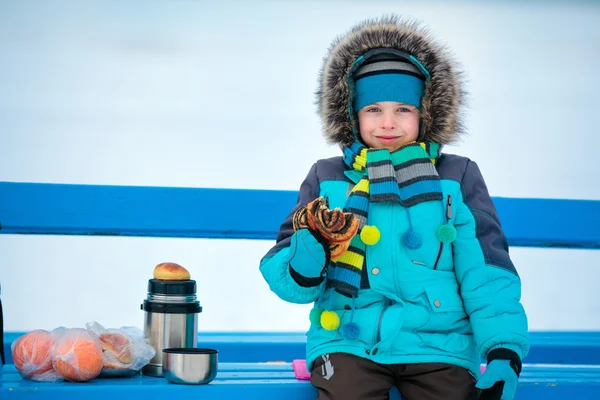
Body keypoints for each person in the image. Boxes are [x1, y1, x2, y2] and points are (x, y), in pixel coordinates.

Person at [259, 15, 529, 400]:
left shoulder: (457, 176)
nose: (388, 123)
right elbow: (286, 272)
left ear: (426, 113)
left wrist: (503, 351)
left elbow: (484, 270)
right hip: (349, 342)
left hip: (440, 345)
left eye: (403, 109)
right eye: (373, 110)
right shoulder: (328, 178)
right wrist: (304, 264)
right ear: (352, 115)